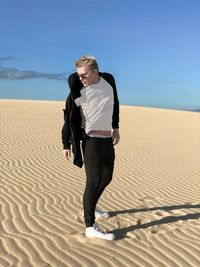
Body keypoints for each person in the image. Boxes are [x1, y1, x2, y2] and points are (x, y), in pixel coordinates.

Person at [62, 55, 120, 240]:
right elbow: (68, 119)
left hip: (106, 139)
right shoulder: (77, 91)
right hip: (90, 141)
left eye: (84, 74)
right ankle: (90, 226)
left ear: (96, 72)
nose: (81, 78)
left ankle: (91, 205)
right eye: (78, 75)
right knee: (93, 180)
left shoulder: (109, 81)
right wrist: (66, 143)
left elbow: (115, 103)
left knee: (107, 177)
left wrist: (116, 127)